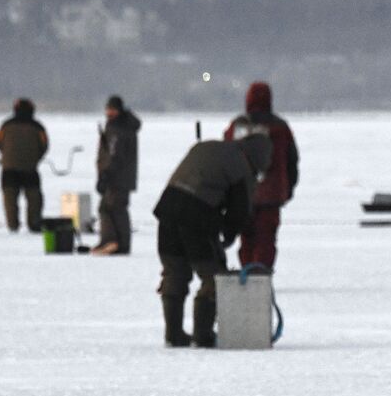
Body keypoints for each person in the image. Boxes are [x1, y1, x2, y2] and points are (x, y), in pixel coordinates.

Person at [153, 134, 273, 347]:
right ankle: (203, 335)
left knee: (174, 271)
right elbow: (239, 211)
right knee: (214, 276)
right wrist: (227, 236)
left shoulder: (207, 146)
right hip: (198, 215)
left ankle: (173, 334)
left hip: (168, 207)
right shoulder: (241, 167)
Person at [222, 81, 298, 272]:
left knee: (246, 237)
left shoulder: (236, 126)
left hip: (242, 193)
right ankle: (260, 274)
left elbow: (224, 158)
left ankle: (248, 273)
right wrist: (287, 189)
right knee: (266, 238)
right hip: (272, 194)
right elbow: (291, 161)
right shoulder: (280, 128)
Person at [92, 95, 141, 255]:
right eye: (108, 109)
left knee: (106, 208)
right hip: (124, 177)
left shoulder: (117, 129)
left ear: (119, 110)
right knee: (119, 209)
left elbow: (113, 154)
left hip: (116, 177)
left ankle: (109, 241)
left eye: (112, 110)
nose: (109, 113)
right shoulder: (124, 126)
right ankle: (122, 245)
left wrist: (105, 175)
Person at [0, 98, 48, 233]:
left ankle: (12, 225)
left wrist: (7, 156)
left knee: (10, 199)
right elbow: (44, 145)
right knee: (34, 198)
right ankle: (34, 224)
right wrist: (36, 158)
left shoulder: (6, 125)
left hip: (8, 168)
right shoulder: (37, 127)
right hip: (30, 168)